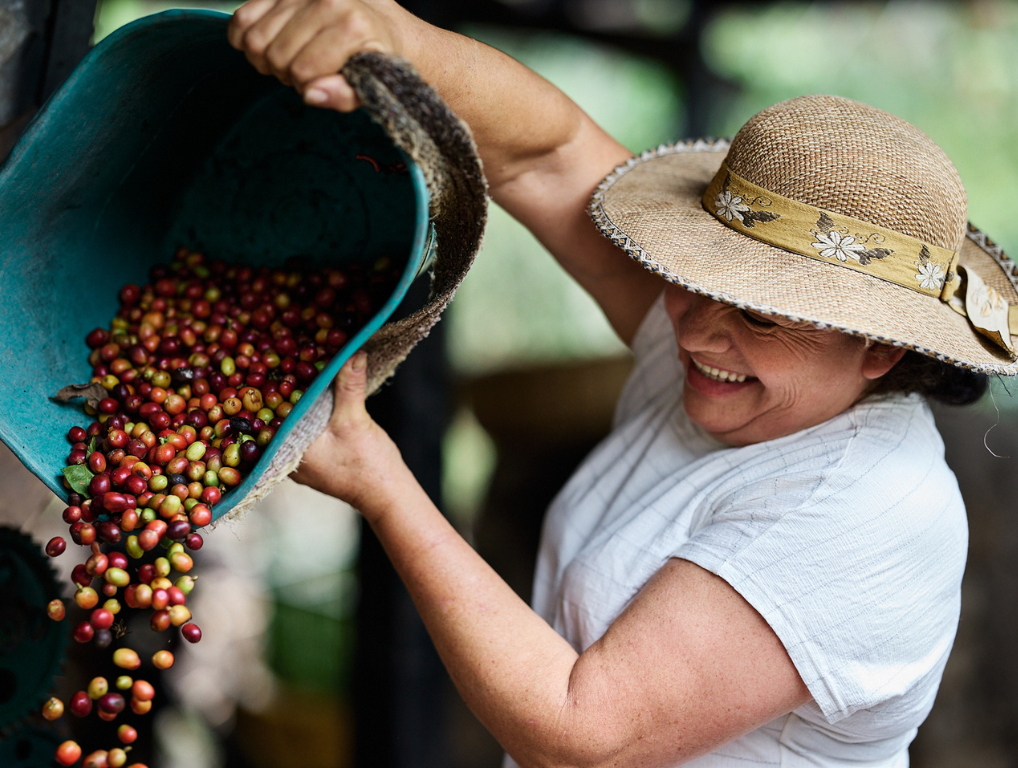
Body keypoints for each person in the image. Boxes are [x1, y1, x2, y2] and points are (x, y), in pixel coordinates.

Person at [227, 2, 1018, 766]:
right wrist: (397, 38)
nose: (698, 332)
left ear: (877, 349)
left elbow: (580, 733)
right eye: (694, 276)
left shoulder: (861, 511)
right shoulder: (747, 369)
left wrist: (382, 482)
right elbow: (547, 153)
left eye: (763, 317)